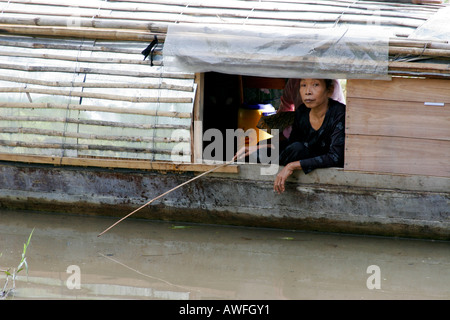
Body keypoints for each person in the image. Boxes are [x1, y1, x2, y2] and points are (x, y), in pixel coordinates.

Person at [234, 78, 346, 194]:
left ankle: (273, 173)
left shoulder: (339, 113)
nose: (308, 91)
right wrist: (257, 147)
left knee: (297, 148)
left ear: (329, 90)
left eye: (315, 85)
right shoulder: (302, 111)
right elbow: (291, 142)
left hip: (320, 165)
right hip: (298, 156)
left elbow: (335, 156)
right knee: (256, 151)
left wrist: (292, 166)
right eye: (303, 85)